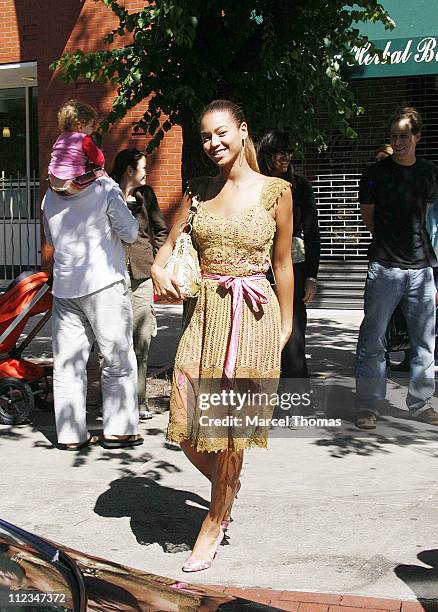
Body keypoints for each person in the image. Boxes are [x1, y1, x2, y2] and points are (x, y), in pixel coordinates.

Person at [151, 99, 293, 572]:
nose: (213, 143)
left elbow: (283, 263)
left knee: (231, 426)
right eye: (206, 136)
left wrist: (288, 322)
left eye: (221, 132)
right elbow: (165, 250)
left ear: (243, 129)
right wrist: (156, 271)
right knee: (188, 419)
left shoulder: (277, 191)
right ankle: (226, 485)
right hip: (206, 313)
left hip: (254, 315)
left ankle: (215, 519)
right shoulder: (196, 193)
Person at [42, 171, 144, 450]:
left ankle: (71, 434)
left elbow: (51, 237)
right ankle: (119, 431)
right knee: (116, 358)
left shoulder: (50, 195)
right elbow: (131, 232)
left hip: (65, 288)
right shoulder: (106, 189)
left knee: (67, 364)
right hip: (105, 284)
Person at [355, 106, 438, 430]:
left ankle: (420, 404)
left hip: (421, 270)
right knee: (373, 341)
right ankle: (368, 406)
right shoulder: (376, 174)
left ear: (417, 137)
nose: (399, 141)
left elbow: (430, 222)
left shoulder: (428, 173)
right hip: (384, 267)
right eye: (394, 136)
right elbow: (369, 218)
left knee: (425, 342)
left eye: (404, 135)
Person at [257, 130, 320, 391]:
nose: (285, 157)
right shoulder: (256, 185)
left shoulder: (300, 186)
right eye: (279, 152)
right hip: (259, 268)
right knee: (261, 339)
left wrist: (312, 276)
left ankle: (297, 403)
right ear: (267, 155)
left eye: (289, 152)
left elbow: (313, 231)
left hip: (293, 266)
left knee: (293, 337)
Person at [111, 149, 169, 420]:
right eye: (142, 167)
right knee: (112, 342)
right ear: (128, 170)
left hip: (142, 275)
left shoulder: (147, 196)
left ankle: (139, 400)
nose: (146, 172)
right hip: (111, 277)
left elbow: (161, 230)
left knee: (142, 341)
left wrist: (156, 262)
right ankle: (114, 402)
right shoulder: (107, 192)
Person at [48, 99, 105, 195]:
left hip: (53, 183)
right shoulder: (84, 138)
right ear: (80, 126)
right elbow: (99, 160)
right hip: (72, 184)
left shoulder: (61, 138)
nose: (92, 129)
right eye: (91, 126)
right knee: (100, 172)